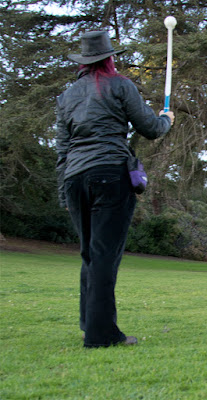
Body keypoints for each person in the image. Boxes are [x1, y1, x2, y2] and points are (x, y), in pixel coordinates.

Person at [56, 31, 174, 348]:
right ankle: (101, 335)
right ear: (109, 58)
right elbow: (149, 128)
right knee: (104, 256)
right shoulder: (120, 85)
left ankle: (91, 325)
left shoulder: (67, 97)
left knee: (90, 255)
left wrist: (64, 194)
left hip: (75, 180)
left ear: (83, 62)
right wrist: (166, 120)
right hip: (110, 174)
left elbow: (62, 151)